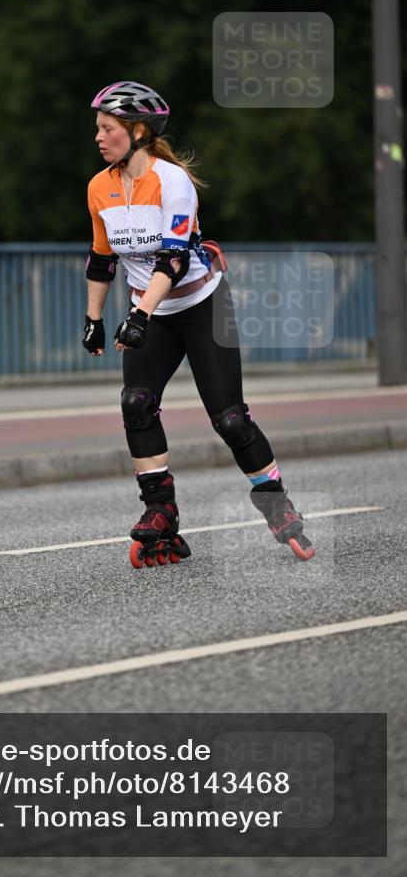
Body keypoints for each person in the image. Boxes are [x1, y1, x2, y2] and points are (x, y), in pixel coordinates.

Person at [82, 80, 314, 567]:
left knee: (230, 419)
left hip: (202, 306)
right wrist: (95, 320)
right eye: (97, 129)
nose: (99, 137)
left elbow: (174, 261)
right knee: (136, 403)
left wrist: (139, 315)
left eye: (108, 129)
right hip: (152, 313)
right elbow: (102, 260)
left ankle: (277, 505)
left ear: (138, 130)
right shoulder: (98, 188)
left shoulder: (173, 181)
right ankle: (160, 514)